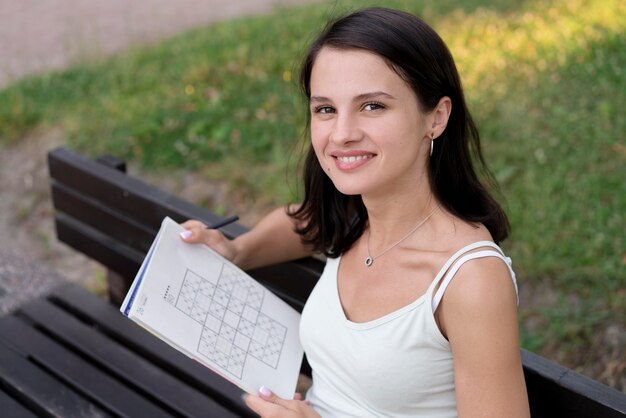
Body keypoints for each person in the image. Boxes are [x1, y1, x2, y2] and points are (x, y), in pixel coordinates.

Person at [180, 7, 530, 418]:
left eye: (372, 106)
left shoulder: (469, 280)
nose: (342, 134)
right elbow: (303, 219)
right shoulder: (356, 215)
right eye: (325, 109)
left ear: (436, 117)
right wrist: (239, 252)